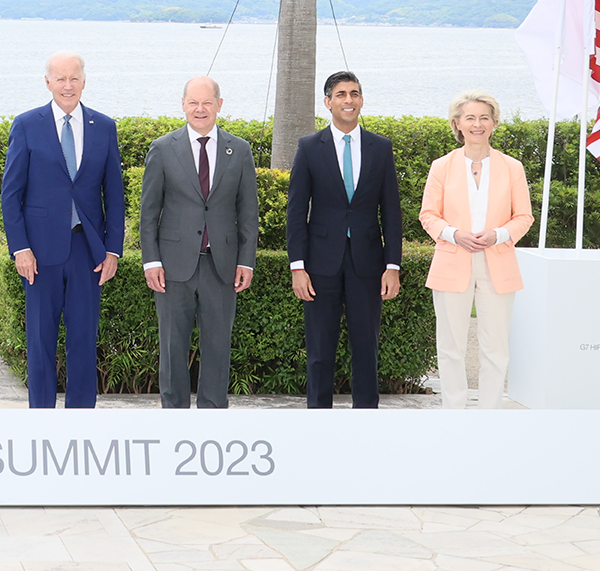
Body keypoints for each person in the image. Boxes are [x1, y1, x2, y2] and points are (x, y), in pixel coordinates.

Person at [1, 53, 125, 409]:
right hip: (39, 253)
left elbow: (113, 194)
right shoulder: (27, 125)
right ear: (47, 82)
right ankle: (42, 421)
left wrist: (112, 249)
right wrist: (20, 248)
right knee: (40, 341)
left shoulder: (104, 126)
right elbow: (11, 194)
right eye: (60, 78)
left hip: (89, 251)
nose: (67, 85)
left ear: (84, 81)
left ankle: (80, 420)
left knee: (84, 340)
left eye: (74, 78)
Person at [139, 76, 259, 409]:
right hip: (173, 266)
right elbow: (148, 212)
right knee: (172, 347)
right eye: (193, 102)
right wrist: (151, 261)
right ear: (183, 105)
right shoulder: (163, 149)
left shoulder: (240, 150)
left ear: (220, 105)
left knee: (218, 347)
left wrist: (246, 260)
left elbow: (248, 212)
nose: (200, 109)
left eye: (207, 102)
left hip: (221, 266)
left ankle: (213, 418)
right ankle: (174, 417)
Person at [287, 70, 403, 409]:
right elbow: (296, 211)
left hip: (368, 263)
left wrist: (392, 265)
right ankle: (318, 421)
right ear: (328, 102)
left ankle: (365, 420)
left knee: (366, 348)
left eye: (354, 94)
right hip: (320, 264)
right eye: (341, 94)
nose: (348, 100)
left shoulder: (380, 148)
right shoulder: (309, 147)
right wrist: (298, 266)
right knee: (320, 350)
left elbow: (391, 211)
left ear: (361, 100)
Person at [419, 90, 534, 410]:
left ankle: (489, 414)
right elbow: (428, 214)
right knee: (450, 346)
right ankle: (454, 412)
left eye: (484, 117)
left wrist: (498, 235)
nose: (477, 124)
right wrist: (454, 234)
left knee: (496, 348)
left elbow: (524, 217)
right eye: (470, 117)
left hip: (498, 263)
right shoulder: (441, 166)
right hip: (452, 263)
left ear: (494, 123)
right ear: (457, 124)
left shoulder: (513, 167)